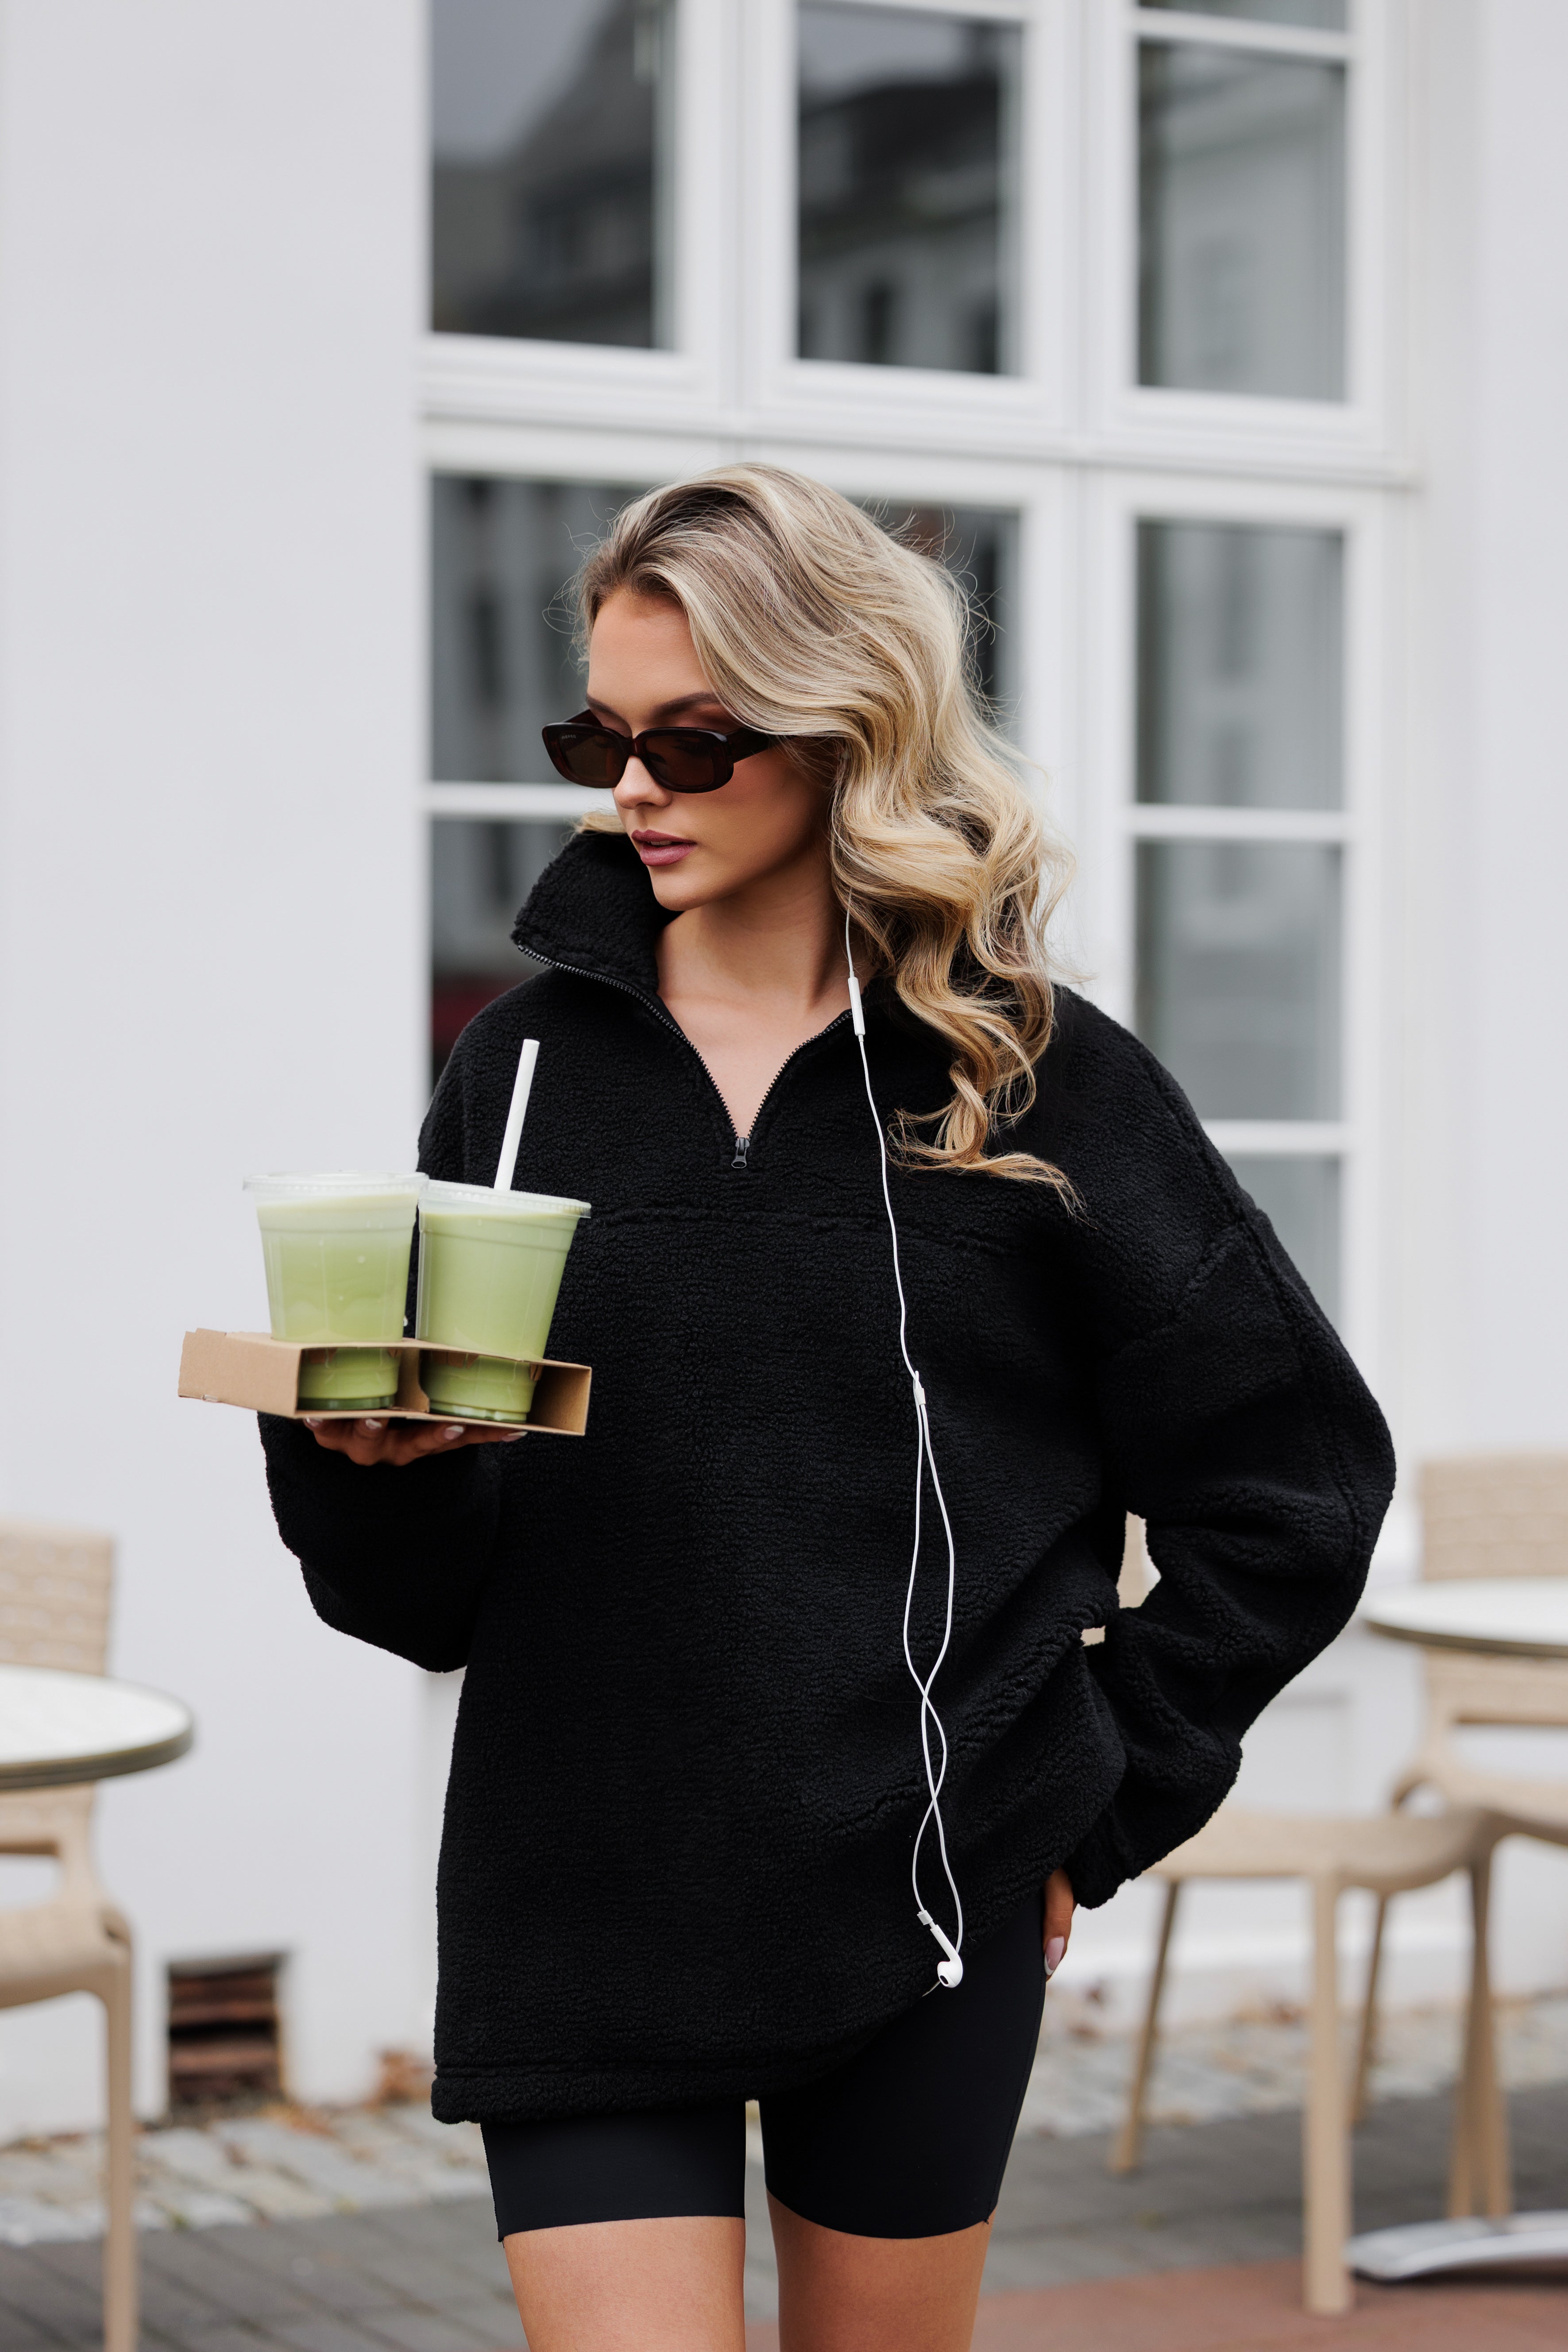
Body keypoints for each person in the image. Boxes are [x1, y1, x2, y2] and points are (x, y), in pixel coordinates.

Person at [262, 465, 1394, 2352]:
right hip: (584, 1887)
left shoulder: (1030, 1082)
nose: (634, 789)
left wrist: (1096, 1789)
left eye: (693, 743)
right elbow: (424, 1600)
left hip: (920, 1895)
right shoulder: (518, 1079)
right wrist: (367, 1469)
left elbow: (1295, 1485)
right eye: (599, 740)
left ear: (844, 729)